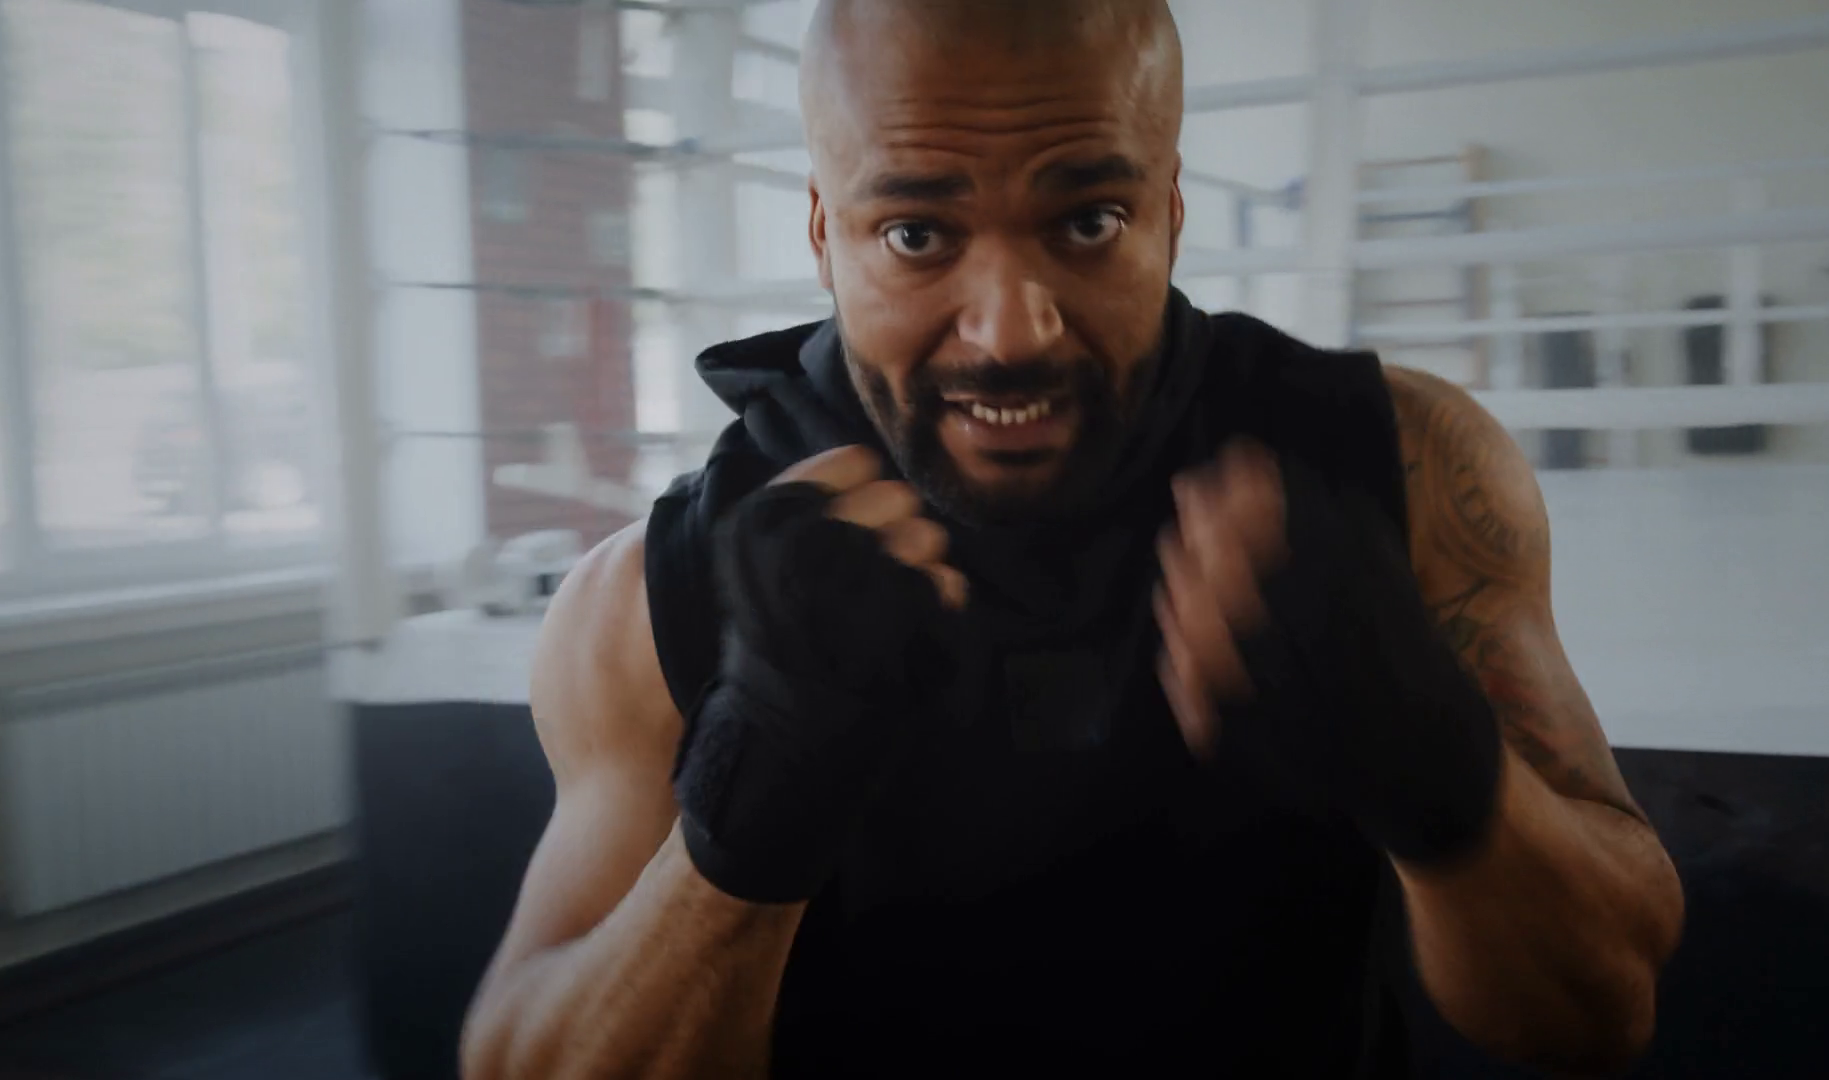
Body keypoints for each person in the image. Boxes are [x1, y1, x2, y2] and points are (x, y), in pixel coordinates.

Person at [460, 1, 1684, 1077]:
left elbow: (1601, 1015)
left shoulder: (1402, 470)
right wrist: (755, 794)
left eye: (1088, 220)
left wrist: (1433, 762)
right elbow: (526, 1063)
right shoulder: (651, 595)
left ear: (1171, 212)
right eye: (918, 234)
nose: (1010, 329)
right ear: (824, 233)